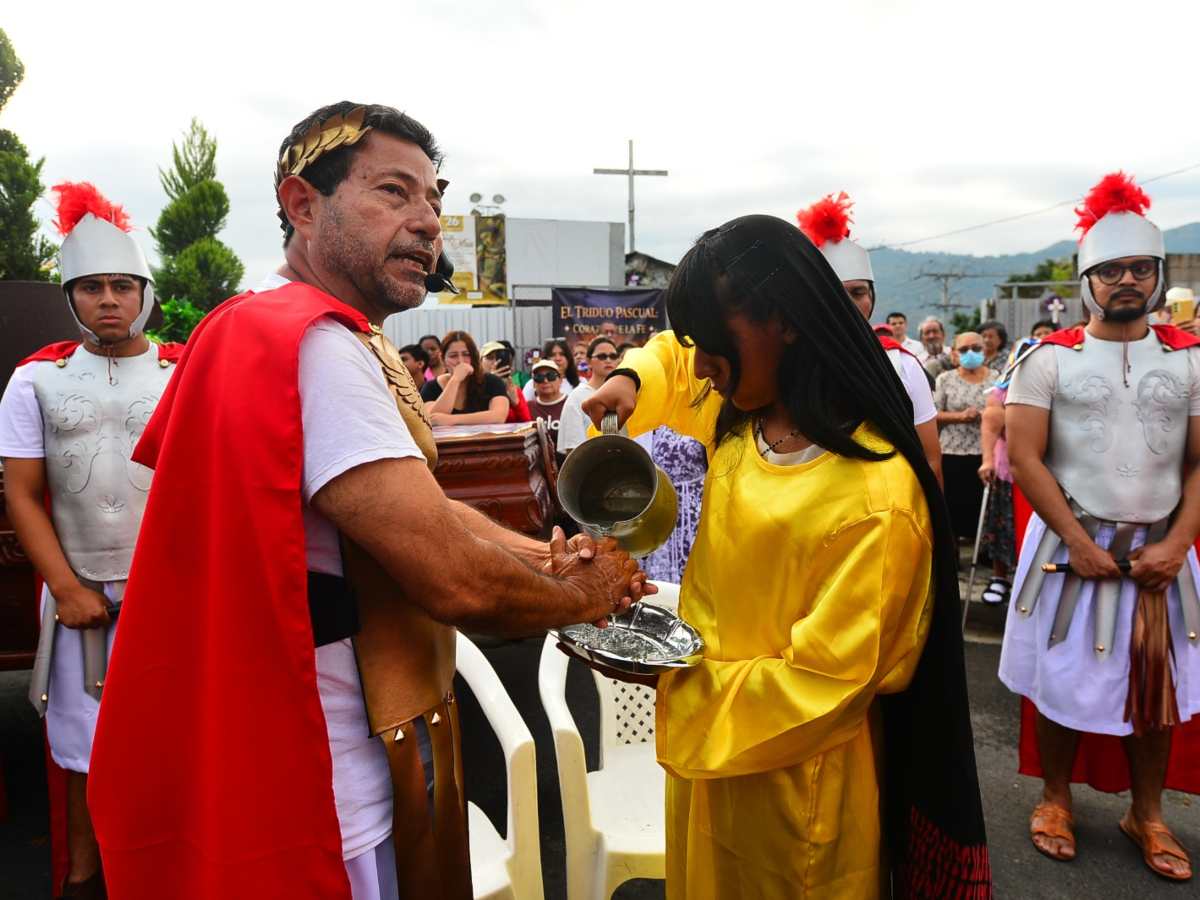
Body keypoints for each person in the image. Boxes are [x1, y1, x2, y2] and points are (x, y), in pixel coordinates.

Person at [85, 101, 653, 900]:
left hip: (296, 740)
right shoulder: (315, 344)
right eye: (394, 192)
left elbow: (405, 505)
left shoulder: (273, 328)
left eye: (433, 200)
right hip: (320, 773)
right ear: (301, 203)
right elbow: (458, 582)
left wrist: (544, 553)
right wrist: (584, 592)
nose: (427, 222)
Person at [580, 214, 990, 899]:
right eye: (696, 345)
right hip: (711, 774)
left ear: (788, 323)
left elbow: (826, 683)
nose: (702, 364)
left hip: (800, 800)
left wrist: (674, 685)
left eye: (715, 343)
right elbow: (674, 361)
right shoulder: (745, 423)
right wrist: (627, 377)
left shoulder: (875, 496)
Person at [1000, 172, 1200, 882]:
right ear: (1086, 280)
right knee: (1062, 680)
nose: (1125, 280)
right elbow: (1024, 456)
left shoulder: (1191, 360)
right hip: (1066, 548)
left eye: (1139, 268)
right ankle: (1054, 798)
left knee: (1158, 692)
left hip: (1160, 554)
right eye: (1110, 269)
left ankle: (1146, 813)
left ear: (1156, 275)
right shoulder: (1046, 358)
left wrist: (1177, 544)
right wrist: (1078, 542)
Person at [0, 183, 184, 900]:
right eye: (92, 287)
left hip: (167, 592)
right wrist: (69, 589)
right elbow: (19, 491)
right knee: (83, 755)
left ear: (143, 291)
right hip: (77, 596)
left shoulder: (183, 369)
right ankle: (84, 880)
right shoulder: (32, 381)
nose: (108, 299)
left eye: (121, 285)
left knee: (173, 744)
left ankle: (169, 872)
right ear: (70, 297)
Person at [797, 193, 943, 483]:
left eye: (858, 293)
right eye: (837, 293)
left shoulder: (901, 364)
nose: (849, 304)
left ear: (872, 298)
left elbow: (930, 460)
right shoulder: (790, 363)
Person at [934, 332, 995, 542]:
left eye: (976, 348)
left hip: (986, 453)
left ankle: (985, 548)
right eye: (964, 349)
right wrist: (960, 416)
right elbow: (933, 414)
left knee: (984, 506)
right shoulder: (945, 379)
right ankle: (953, 551)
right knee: (953, 503)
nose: (970, 353)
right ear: (954, 353)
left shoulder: (996, 378)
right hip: (952, 451)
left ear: (984, 350)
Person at [420, 330, 509, 425]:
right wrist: (455, 380)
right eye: (453, 356)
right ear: (443, 359)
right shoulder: (431, 387)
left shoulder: (492, 382)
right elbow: (433, 419)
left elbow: (498, 416)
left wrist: (452, 419)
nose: (460, 361)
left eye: (466, 354)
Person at [556, 336, 620, 453]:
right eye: (602, 356)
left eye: (613, 356)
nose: (608, 360)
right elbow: (573, 451)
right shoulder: (576, 398)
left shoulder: (624, 395)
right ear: (589, 361)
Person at [479, 339, 531, 423]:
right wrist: (491, 382)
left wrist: (516, 403)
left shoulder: (513, 389)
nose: (495, 362)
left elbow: (527, 422)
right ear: (480, 362)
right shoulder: (474, 387)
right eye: (490, 358)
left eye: (500, 358)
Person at [526, 358, 569, 451]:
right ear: (533, 383)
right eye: (539, 377)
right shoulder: (528, 407)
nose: (545, 381)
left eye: (551, 376)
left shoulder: (570, 404)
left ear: (561, 380)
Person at [522, 337, 579, 402]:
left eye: (562, 354)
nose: (558, 358)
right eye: (553, 355)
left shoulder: (581, 383)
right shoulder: (533, 384)